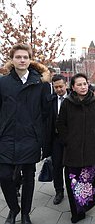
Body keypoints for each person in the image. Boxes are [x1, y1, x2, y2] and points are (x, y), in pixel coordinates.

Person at [0, 43, 51, 224]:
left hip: (31, 138)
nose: (22, 60)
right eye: (18, 57)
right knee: (4, 176)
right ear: (12, 60)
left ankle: (25, 214)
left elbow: (46, 114)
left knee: (29, 177)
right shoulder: (3, 82)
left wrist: (44, 141)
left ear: (30, 60)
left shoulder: (41, 84)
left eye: (25, 57)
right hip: (7, 137)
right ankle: (14, 209)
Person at [56, 73, 95, 223]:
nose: (83, 87)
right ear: (72, 87)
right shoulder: (67, 103)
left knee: (88, 181)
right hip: (72, 151)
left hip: (91, 150)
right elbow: (60, 124)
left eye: (84, 83)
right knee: (73, 181)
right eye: (79, 84)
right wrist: (67, 140)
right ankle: (76, 211)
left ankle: (85, 205)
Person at [43, 74, 69, 205]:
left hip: (71, 140)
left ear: (66, 85)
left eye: (61, 86)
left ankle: (72, 190)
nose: (59, 89)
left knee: (71, 166)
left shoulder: (73, 99)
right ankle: (59, 191)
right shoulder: (50, 100)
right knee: (57, 166)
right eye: (56, 87)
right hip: (56, 139)